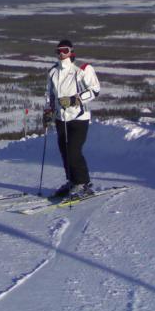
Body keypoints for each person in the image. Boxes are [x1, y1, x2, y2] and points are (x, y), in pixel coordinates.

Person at [43, 39, 101, 198]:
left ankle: (83, 183)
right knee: (64, 152)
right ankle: (72, 181)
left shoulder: (83, 69)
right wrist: (48, 111)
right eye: (58, 51)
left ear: (72, 51)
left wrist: (74, 100)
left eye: (65, 50)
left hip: (79, 117)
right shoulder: (53, 71)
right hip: (61, 118)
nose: (62, 54)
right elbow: (50, 95)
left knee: (74, 151)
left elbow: (95, 90)